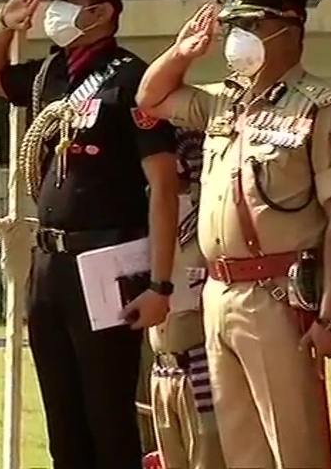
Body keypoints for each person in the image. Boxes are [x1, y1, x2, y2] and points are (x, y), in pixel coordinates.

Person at [135, 0, 331, 468]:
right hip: (217, 292)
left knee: (294, 444)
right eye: (235, 26)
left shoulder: (321, 109)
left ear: (290, 28)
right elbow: (149, 98)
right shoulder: (224, 101)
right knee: (242, 449)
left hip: (278, 294)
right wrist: (181, 53)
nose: (239, 38)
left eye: (253, 25)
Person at [0, 0, 179, 469]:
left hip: (108, 259)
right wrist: (4, 24)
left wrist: (160, 284)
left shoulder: (132, 78)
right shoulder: (50, 76)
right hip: (50, 261)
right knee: (61, 409)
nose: (54, 10)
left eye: (69, 0)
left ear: (104, 11)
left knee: (107, 411)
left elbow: (163, 185)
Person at [147, 130, 226, 469]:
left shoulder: (209, 229)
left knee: (208, 455)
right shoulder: (146, 223)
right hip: (161, 368)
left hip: (198, 367)